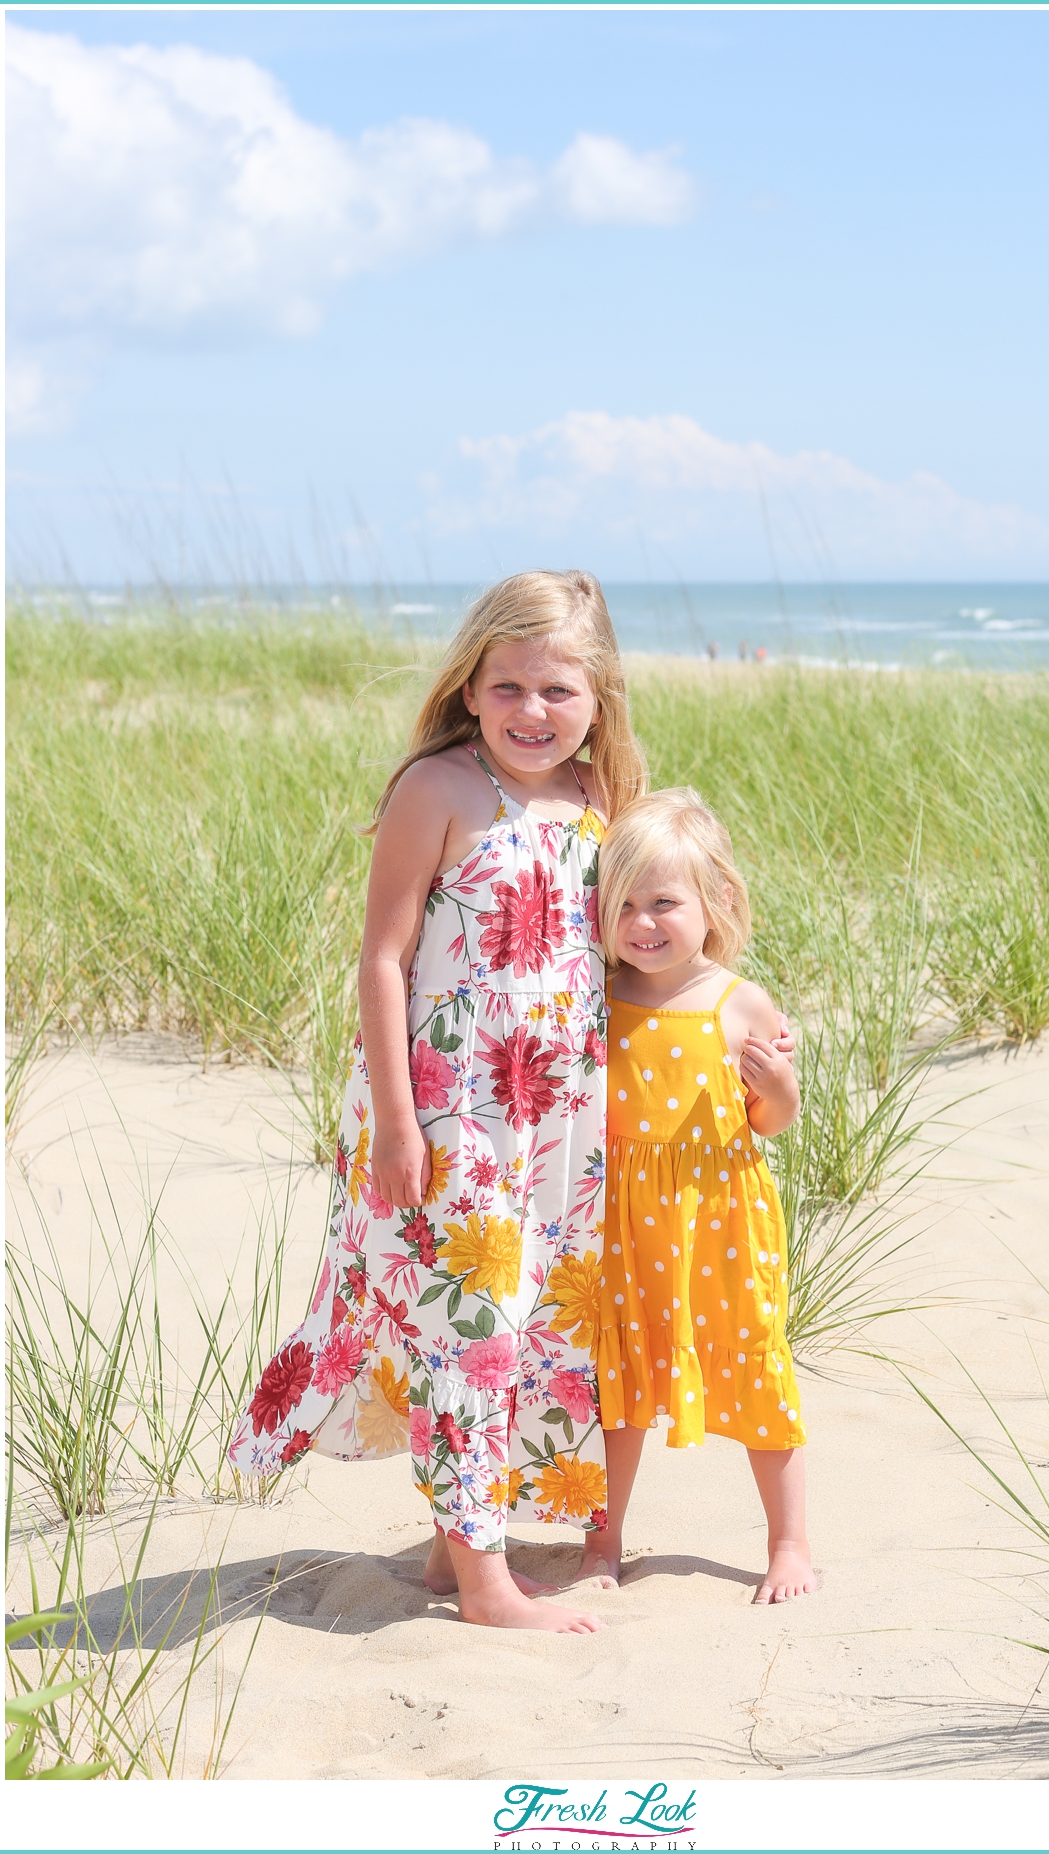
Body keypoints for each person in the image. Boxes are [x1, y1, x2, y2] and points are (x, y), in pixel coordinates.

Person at [227, 570, 648, 1634]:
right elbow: (382, 960)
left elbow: (619, 956)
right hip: (451, 1111)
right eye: (507, 688)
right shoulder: (439, 790)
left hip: (559, 1123)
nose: (532, 713)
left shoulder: (601, 801)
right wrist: (400, 1127)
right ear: (470, 687)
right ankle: (486, 1584)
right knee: (471, 1329)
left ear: (600, 697)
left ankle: (460, 1540)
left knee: (543, 1320)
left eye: (558, 691)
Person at [592, 788, 816, 1604]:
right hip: (626, 1222)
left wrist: (779, 1083)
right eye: (623, 906)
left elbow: (770, 1123)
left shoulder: (738, 1000)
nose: (642, 923)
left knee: (752, 1360)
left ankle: (788, 1543)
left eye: (664, 903)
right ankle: (603, 1537)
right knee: (621, 1381)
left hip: (720, 1216)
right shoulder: (600, 992)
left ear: (715, 901)